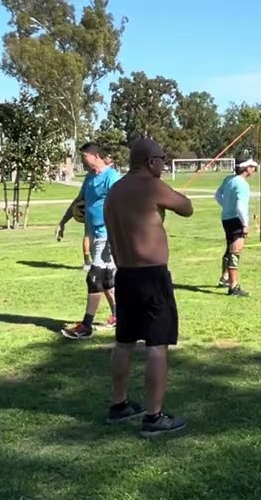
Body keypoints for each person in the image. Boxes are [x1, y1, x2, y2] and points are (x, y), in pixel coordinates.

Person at [103, 138, 194, 437]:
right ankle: (154, 418)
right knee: (157, 346)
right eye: (162, 159)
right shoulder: (152, 186)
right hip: (152, 277)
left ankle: (119, 405)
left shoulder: (114, 192)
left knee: (124, 343)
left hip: (125, 276)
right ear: (149, 161)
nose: (164, 164)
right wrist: (170, 193)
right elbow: (187, 208)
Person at [58, 143, 121, 339]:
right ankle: (120, 317)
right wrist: (63, 222)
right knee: (108, 280)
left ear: (95, 155)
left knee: (94, 277)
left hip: (107, 236)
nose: (83, 160)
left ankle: (86, 326)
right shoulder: (90, 178)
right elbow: (79, 200)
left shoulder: (111, 177)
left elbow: (121, 207)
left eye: (85, 156)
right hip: (94, 235)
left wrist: (114, 237)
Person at [215, 159, 258, 297]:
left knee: (229, 249)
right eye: (252, 166)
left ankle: (225, 278)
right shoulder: (243, 184)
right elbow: (240, 207)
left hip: (226, 219)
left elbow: (217, 195)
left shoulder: (229, 179)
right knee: (235, 252)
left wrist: (226, 206)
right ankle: (234, 287)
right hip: (236, 220)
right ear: (246, 168)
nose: (254, 169)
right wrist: (245, 224)